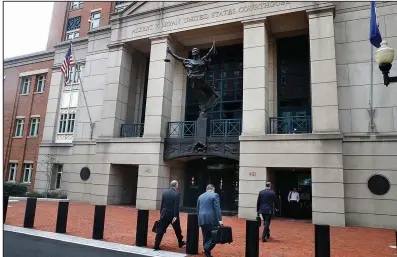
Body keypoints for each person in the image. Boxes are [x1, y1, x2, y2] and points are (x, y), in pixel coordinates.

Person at [154, 180, 186, 250]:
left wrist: (161, 214)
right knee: (177, 230)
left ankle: (156, 245)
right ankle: (180, 242)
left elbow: (162, 204)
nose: (178, 185)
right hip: (172, 215)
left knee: (160, 230)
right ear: (176, 185)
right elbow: (176, 206)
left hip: (164, 214)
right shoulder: (177, 193)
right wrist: (175, 216)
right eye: (177, 184)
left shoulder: (165, 193)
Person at [197, 184, 223, 257]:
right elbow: (217, 209)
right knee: (216, 236)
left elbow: (198, 210)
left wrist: (199, 221)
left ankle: (207, 253)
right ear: (213, 189)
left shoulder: (200, 196)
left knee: (206, 237)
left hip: (202, 219)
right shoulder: (215, 195)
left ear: (206, 189)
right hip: (211, 219)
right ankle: (206, 248)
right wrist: (220, 220)